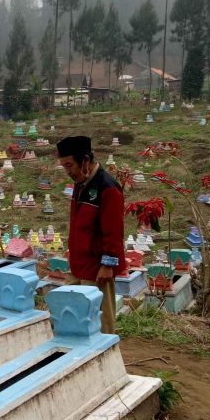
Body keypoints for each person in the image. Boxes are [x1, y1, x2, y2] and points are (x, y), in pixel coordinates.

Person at [56, 135, 126, 333]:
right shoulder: (80, 184)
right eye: (64, 167)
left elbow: (113, 231)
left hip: (98, 268)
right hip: (78, 263)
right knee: (72, 313)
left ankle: (106, 357)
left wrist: (107, 264)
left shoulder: (108, 188)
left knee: (101, 320)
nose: (68, 172)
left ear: (85, 161)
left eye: (69, 165)